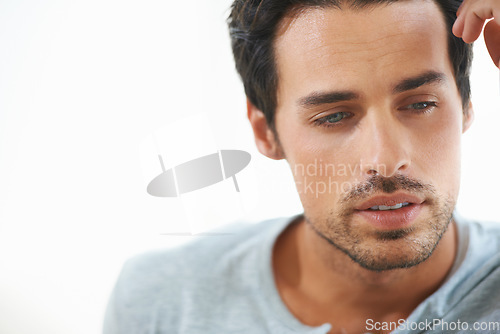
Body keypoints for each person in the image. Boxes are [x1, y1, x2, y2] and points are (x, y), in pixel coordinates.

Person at [103, 0, 500, 333]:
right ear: (266, 132)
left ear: (465, 105)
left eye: (420, 104)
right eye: (333, 117)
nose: (385, 159)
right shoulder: (161, 303)